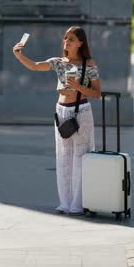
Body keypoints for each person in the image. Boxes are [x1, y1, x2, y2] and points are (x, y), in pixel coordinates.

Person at [13, 26, 101, 215]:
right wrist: (19, 55)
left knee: (80, 158)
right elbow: (36, 66)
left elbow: (97, 93)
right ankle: (65, 202)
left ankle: (78, 204)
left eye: (71, 39)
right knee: (63, 158)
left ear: (80, 43)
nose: (66, 42)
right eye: (65, 38)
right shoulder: (58, 62)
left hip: (82, 111)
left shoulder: (89, 63)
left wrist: (78, 86)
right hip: (61, 111)